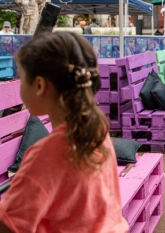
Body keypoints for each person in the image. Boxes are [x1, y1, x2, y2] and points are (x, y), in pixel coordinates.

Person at [0, 31, 128, 233]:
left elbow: (10, 224)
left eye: (22, 78)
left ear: (40, 85)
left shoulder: (47, 153)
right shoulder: (96, 129)